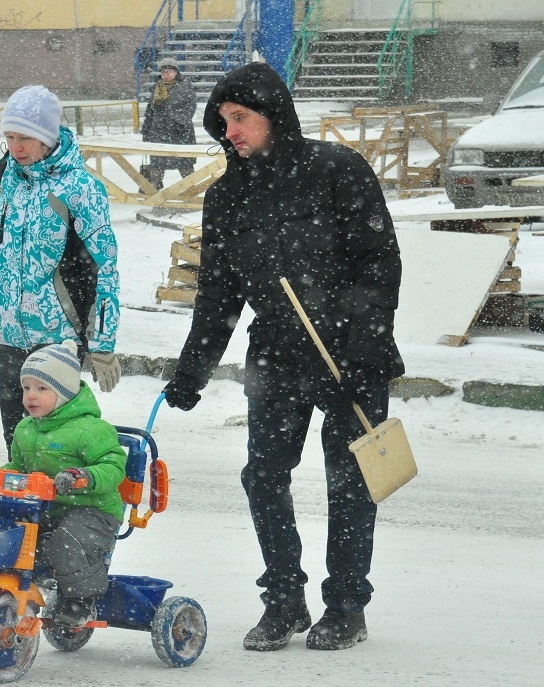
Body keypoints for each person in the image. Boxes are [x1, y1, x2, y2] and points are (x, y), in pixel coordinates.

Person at [162, 62, 405, 652]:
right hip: (276, 354)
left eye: (242, 118)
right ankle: (284, 600)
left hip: (350, 354)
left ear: (275, 115)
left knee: (349, 481)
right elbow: (217, 292)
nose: (232, 132)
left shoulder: (337, 172)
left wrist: (359, 346)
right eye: (224, 122)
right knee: (264, 476)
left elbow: (380, 264)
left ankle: (345, 606)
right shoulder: (227, 197)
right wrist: (192, 368)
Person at [0, 85, 121, 452]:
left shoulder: (80, 188)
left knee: (59, 443)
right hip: (6, 332)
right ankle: (22, 508)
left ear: (48, 139)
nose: (16, 147)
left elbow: (104, 270)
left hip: (58, 337)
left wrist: (102, 342)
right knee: (17, 440)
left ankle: (68, 507)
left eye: (25, 138)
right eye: (9, 137)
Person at [0, 340, 127, 627]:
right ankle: (24, 582)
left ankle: (79, 600)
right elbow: (19, 468)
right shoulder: (25, 429)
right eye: (26, 388)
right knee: (14, 531)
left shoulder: (90, 430)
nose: (31, 396)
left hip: (93, 509)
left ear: (64, 393)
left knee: (66, 541)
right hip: (46, 505)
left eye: (42, 389)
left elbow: (113, 467)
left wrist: (82, 477)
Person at [140, 57, 197, 190]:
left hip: (180, 132)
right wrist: (146, 129)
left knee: (184, 163)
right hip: (158, 131)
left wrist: (179, 121)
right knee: (157, 162)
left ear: (176, 72)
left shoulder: (185, 86)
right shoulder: (157, 87)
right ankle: (154, 193)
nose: (167, 74)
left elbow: (190, 107)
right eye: (164, 72)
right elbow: (150, 110)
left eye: (170, 71)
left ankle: (191, 191)